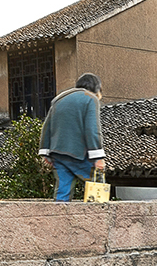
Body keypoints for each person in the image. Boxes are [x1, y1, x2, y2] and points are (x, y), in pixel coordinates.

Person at [38, 73, 106, 201]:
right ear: (97, 88)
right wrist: (98, 157)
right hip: (78, 154)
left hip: (57, 153)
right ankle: (99, 213)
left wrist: (45, 152)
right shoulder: (90, 99)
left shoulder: (59, 99)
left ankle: (59, 213)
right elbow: (92, 130)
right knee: (97, 187)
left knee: (62, 192)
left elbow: (47, 127)